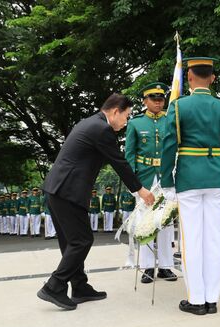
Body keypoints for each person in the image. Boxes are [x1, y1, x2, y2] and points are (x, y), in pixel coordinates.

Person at [37, 93, 154, 311]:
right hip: (67, 191)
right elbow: (119, 162)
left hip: (58, 190)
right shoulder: (102, 129)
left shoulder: (89, 123)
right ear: (115, 111)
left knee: (71, 242)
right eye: (126, 116)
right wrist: (140, 190)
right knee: (82, 241)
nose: (126, 122)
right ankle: (54, 285)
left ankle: (79, 287)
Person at [161, 57, 220, 315]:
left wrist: (166, 181)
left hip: (189, 179)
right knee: (214, 240)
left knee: (191, 240)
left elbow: (169, 145)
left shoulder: (179, 106)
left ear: (190, 78)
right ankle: (212, 298)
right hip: (216, 178)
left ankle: (196, 300)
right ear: (213, 78)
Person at [125, 82, 177, 281]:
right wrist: (133, 184)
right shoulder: (135, 123)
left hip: (166, 176)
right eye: (154, 99)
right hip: (145, 178)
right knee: (145, 222)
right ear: (145, 101)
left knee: (165, 222)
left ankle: (165, 265)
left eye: (161, 99)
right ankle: (147, 267)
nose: (158, 102)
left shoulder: (170, 121)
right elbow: (129, 155)